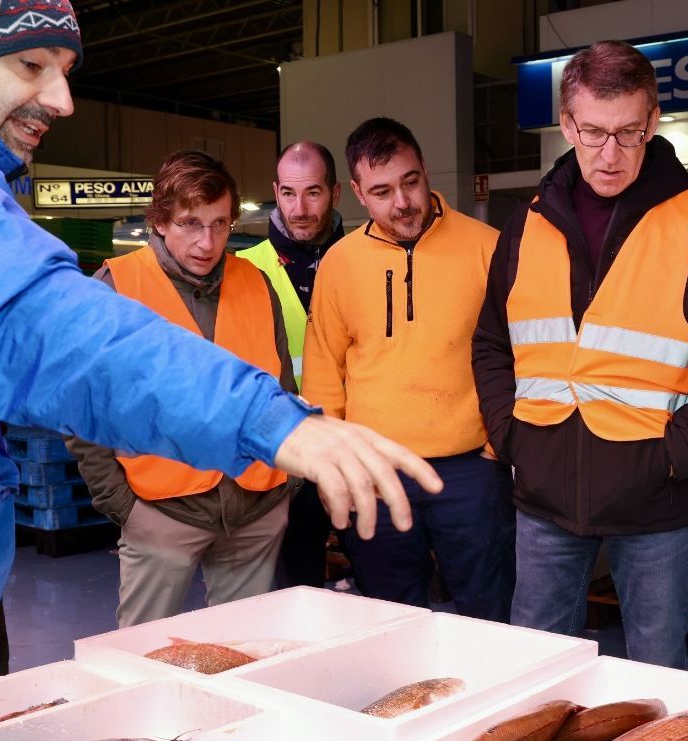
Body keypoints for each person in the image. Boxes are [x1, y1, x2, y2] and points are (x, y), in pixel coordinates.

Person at [0, 0, 441, 678]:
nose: (61, 99)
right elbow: (43, 327)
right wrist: (266, 419)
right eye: (32, 64)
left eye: (64, 70)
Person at [473, 41, 688, 668]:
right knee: (532, 670)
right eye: (592, 134)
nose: (609, 155)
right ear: (566, 125)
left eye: (628, 134)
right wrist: (511, 436)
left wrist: (677, 452)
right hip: (543, 492)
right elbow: (492, 344)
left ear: (653, 121)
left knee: (659, 677)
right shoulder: (527, 222)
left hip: (655, 500)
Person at [68, 151, 296, 627]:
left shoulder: (255, 283)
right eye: (191, 223)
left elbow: (281, 388)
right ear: (160, 220)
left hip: (256, 508)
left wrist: (286, 484)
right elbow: (78, 409)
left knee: (246, 653)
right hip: (161, 515)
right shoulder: (114, 288)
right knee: (142, 658)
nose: (207, 242)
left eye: (219, 224)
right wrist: (124, 507)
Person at [303, 117, 515, 621]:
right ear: (356, 193)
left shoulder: (489, 246)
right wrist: (336, 463)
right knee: (389, 615)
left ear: (424, 170)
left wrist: (497, 444)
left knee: (489, 614)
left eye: (410, 182)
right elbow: (324, 367)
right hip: (376, 471)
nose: (401, 202)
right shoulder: (339, 263)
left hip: (471, 470)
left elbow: (520, 352)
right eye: (381, 191)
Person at [239, 141, 346, 589]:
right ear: (275, 192)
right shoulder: (243, 269)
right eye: (288, 193)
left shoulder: (368, 259)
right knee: (292, 591)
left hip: (353, 445)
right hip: (283, 460)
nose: (299, 209)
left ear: (336, 194)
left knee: (384, 588)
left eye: (313, 193)